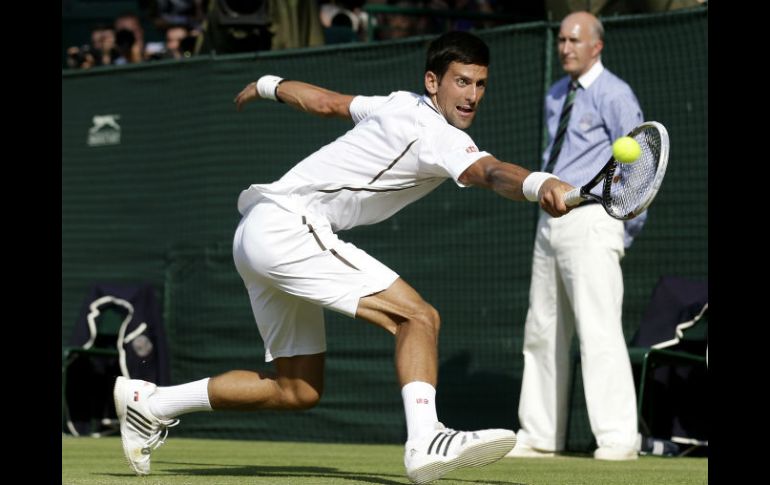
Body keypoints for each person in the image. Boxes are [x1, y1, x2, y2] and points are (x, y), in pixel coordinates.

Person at [113, 31, 575, 484]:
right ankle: (425, 439)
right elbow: (489, 172)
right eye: (461, 82)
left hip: (255, 230)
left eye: (480, 84)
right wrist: (541, 184)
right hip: (289, 228)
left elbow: (328, 103)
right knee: (418, 318)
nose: (472, 95)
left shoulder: (396, 102)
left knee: (298, 389)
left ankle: (150, 403)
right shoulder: (437, 134)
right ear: (433, 82)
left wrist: (269, 84)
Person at [506, 11, 644, 461]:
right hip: (550, 222)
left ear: (596, 47)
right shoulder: (554, 94)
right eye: (562, 39)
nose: (565, 47)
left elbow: (639, 171)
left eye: (574, 40)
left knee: (598, 329)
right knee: (542, 329)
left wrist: (618, 229)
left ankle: (619, 438)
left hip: (595, 220)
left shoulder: (616, 95)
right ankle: (539, 434)